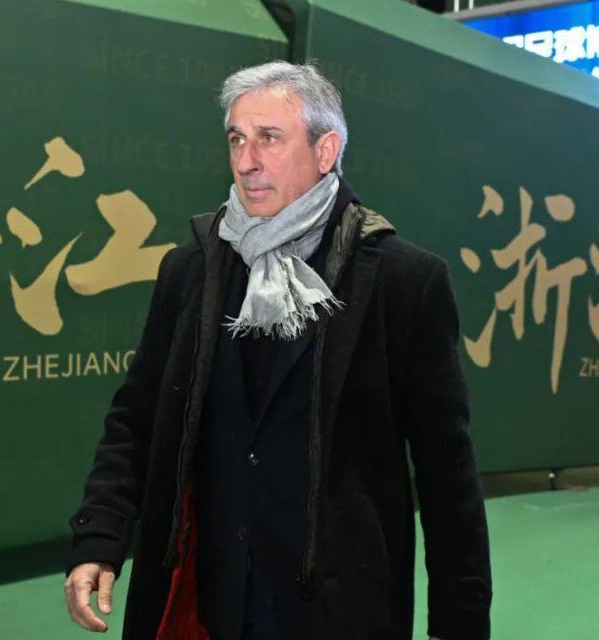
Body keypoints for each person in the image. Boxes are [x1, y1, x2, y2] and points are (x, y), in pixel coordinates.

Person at [63, 61, 492, 640]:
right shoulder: (191, 269)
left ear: (325, 150)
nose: (246, 161)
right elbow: (137, 418)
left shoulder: (402, 282)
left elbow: (447, 472)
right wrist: (100, 536)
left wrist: (461, 622)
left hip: (335, 610)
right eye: (236, 139)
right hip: (206, 599)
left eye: (269, 137)